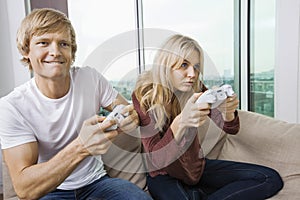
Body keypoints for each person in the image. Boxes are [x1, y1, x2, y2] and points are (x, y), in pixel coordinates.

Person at [0, 8, 152, 200]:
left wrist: (131, 118)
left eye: (63, 44)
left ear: (71, 52)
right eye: (43, 43)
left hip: (97, 183)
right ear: (26, 50)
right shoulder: (12, 107)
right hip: (51, 192)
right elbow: (25, 189)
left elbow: (127, 111)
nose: (55, 52)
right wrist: (81, 146)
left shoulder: (90, 78)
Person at [132, 34, 283, 200]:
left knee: (269, 178)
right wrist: (181, 122)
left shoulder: (196, 89)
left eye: (196, 67)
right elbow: (157, 158)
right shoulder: (144, 95)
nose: (192, 74)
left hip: (195, 168)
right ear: (165, 65)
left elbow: (231, 128)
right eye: (184, 65)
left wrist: (227, 112)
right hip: (163, 175)